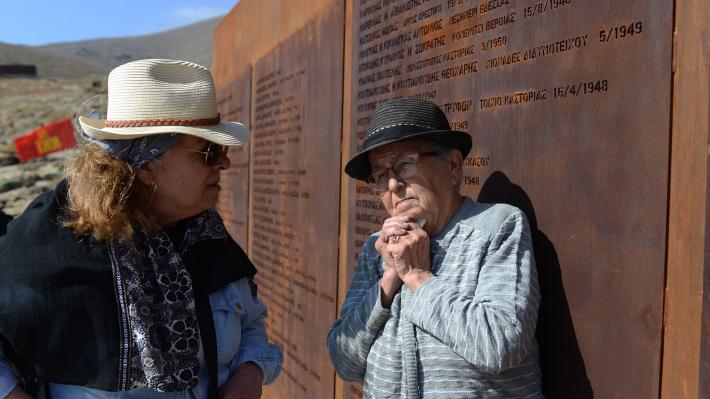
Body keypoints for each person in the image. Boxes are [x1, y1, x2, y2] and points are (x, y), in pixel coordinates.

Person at [0, 59, 282, 399]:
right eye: (208, 151)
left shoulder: (210, 238)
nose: (225, 162)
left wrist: (249, 375)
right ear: (146, 165)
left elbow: (251, 323)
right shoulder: (46, 246)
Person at [327, 98, 544, 398]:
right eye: (380, 175)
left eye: (404, 165)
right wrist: (390, 276)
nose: (392, 186)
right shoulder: (376, 249)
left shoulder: (498, 227)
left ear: (453, 165)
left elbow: (501, 344)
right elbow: (343, 361)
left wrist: (417, 276)